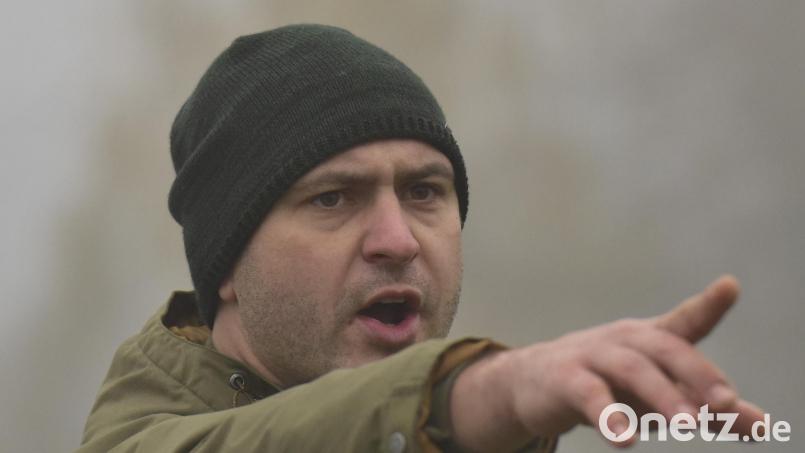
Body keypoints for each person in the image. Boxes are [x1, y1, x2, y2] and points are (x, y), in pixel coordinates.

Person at [79, 24, 763, 452]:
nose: (397, 239)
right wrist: (479, 396)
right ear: (226, 262)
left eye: (424, 191)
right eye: (331, 198)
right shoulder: (143, 436)